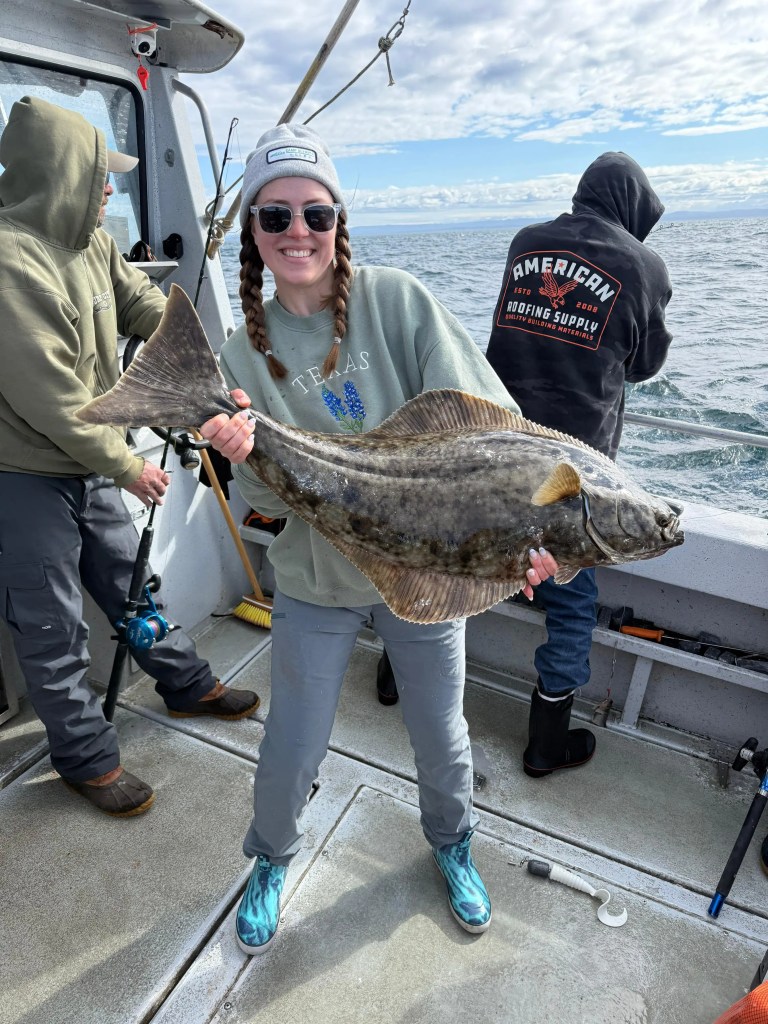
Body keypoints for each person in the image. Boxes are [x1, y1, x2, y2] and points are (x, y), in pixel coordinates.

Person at [199, 122, 559, 954]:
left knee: (442, 734)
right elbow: (270, 503)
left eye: (316, 214)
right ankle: (270, 859)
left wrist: (530, 534)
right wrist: (242, 456)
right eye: (276, 215)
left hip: (426, 577)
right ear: (253, 229)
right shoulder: (241, 354)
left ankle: (453, 844)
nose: (297, 231)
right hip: (316, 581)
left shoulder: (397, 301)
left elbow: (492, 436)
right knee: (291, 743)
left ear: (339, 222)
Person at [0, 96, 259, 818]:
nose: (109, 190)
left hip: (88, 459)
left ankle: (185, 684)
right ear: (63, 174)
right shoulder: (9, 262)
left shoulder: (88, 240)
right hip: (24, 475)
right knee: (52, 627)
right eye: (99, 176)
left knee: (132, 586)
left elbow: (143, 302)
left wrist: (207, 376)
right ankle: (86, 759)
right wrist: (128, 466)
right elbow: (52, 401)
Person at [485, 151, 673, 779]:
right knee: (571, 597)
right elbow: (645, 364)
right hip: (572, 468)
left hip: (500, 445)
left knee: (463, 562)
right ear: (635, 207)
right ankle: (546, 741)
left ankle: (395, 674)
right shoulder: (644, 266)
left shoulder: (527, 241)